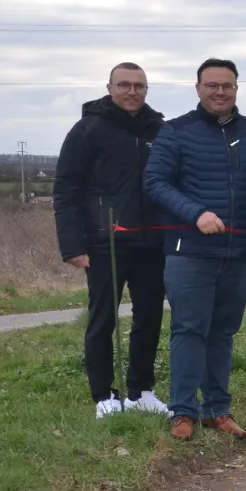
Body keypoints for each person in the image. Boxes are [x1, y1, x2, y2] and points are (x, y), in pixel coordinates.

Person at [144, 58, 246, 441]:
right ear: (198, 88)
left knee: (223, 332)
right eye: (212, 85)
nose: (220, 92)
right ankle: (183, 412)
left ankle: (217, 410)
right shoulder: (175, 132)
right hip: (188, 251)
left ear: (236, 89)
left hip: (239, 253)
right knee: (189, 329)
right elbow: (155, 183)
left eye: (227, 85)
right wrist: (196, 213)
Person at [53, 63, 170, 419]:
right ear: (110, 87)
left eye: (139, 86)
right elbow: (66, 190)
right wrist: (73, 246)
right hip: (105, 243)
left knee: (149, 316)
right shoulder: (87, 130)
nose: (132, 91)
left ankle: (141, 391)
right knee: (103, 320)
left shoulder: (160, 129)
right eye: (124, 85)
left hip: (152, 242)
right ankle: (104, 395)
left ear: (146, 90)